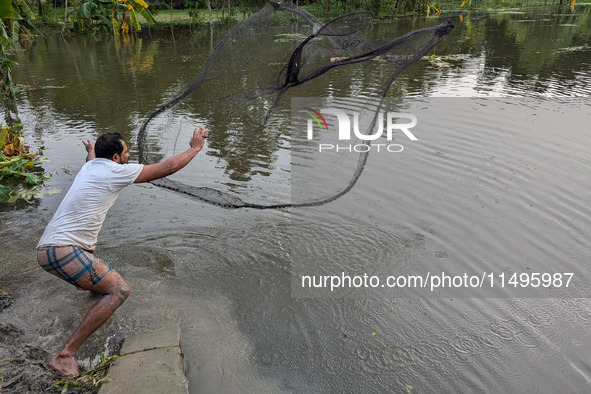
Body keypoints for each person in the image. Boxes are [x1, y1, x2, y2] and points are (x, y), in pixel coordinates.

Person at [36, 126, 208, 376]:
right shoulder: (115, 171)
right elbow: (168, 167)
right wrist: (195, 147)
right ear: (115, 158)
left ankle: (87, 323)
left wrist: (92, 151)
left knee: (97, 285)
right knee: (119, 290)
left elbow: (92, 160)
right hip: (64, 251)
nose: (129, 155)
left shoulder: (90, 167)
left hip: (46, 250)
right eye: (126, 152)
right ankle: (65, 355)